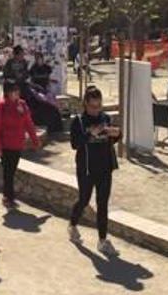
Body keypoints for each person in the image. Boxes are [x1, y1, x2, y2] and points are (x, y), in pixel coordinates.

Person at [68, 86, 121, 256]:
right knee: (84, 199)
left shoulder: (105, 118)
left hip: (105, 166)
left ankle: (103, 240)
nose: (96, 110)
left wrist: (117, 134)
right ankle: (72, 224)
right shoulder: (79, 121)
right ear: (85, 104)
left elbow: (109, 141)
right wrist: (90, 134)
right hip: (87, 168)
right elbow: (75, 144)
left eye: (99, 106)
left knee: (103, 204)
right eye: (93, 106)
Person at [0, 79, 41, 209]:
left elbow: (29, 123)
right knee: (8, 172)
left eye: (17, 90)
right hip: (5, 145)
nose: (17, 93)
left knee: (11, 171)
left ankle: (8, 196)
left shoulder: (22, 104)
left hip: (17, 144)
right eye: (13, 91)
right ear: (7, 92)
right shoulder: (0, 106)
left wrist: (35, 139)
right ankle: (8, 197)